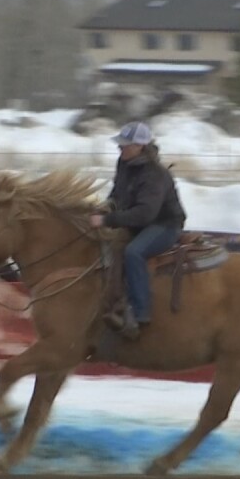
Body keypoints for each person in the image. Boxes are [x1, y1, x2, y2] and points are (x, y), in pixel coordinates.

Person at [90, 121, 187, 339]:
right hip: (137, 223)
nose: (120, 148)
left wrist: (107, 219)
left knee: (134, 252)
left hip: (164, 224)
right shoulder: (124, 164)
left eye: (125, 144)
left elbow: (145, 214)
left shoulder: (155, 174)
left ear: (139, 146)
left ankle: (140, 311)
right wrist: (105, 207)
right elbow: (117, 194)